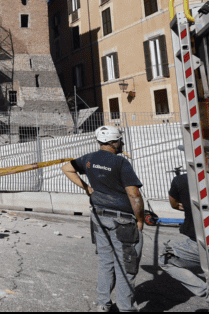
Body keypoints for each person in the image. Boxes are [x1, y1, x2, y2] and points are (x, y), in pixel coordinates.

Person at [61, 125, 144, 312]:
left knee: (106, 263)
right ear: (113, 142)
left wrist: (87, 188)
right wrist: (140, 219)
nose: (122, 143)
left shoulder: (89, 158)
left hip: (99, 217)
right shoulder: (120, 162)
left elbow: (66, 168)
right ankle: (125, 308)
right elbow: (134, 194)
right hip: (123, 221)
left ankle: (103, 305)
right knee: (126, 266)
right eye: (120, 140)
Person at [159, 172, 209, 309]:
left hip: (200, 243)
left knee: (164, 259)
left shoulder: (182, 180)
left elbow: (173, 203)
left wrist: (187, 205)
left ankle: (207, 291)